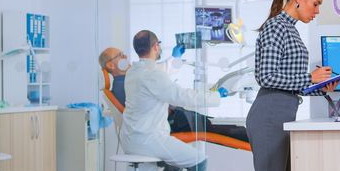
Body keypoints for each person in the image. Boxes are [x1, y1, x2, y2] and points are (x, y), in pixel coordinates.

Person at [246, 0, 337, 171]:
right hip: (268, 116)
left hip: (282, 114)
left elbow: (290, 81)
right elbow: (266, 76)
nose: (318, 10)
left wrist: (321, 86)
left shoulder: (290, 28)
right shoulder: (276, 28)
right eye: (316, 3)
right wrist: (310, 79)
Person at [120, 30, 227, 171]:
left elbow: (161, 73)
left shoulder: (134, 72)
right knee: (199, 160)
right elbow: (180, 96)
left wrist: (175, 59)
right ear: (155, 47)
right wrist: (214, 96)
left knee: (176, 162)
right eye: (158, 44)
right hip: (149, 138)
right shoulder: (152, 74)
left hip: (134, 137)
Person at [99, 47, 248, 142]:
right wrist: (215, 96)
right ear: (111, 65)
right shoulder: (128, 82)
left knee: (217, 125)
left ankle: (255, 136)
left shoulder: (132, 77)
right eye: (120, 55)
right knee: (221, 129)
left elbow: (159, 76)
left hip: (175, 117)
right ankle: (258, 138)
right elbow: (175, 94)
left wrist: (175, 59)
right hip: (172, 122)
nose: (125, 56)